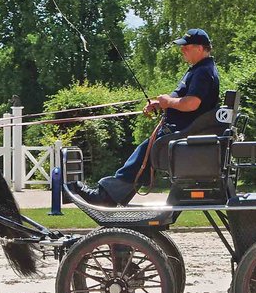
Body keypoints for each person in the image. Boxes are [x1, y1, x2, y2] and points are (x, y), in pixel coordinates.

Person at [68, 28, 221, 206]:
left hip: (180, 134)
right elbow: (183, 100)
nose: (182, 50)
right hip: (178, 131)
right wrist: (159, 103)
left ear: (201, 48)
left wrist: (169, 102)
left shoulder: (203, 72)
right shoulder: (198, 69)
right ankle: (114, 196)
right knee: (141, 160)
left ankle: (106, 196)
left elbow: (191, 103)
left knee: (141, 159)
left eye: (187, 47)